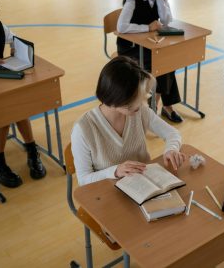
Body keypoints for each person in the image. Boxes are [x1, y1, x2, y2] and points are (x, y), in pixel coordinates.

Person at [71, 56, 186, 186]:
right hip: (108, 192)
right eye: (136, 99)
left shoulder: (139, 111)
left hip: (144, 185)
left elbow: (172, 133)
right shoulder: (83, 129)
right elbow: (84, 179)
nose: (142, 103)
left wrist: (171, 149)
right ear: (117, 100)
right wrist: (115, 171)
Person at [116, 0, 183, 123]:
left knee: (168, 60)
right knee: (162, 62)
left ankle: (160, 105)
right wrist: (147, 28)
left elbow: (167, 20)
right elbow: (121, 27)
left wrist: (161, 1)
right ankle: (159, 106)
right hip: (131, 47)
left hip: (149, 45)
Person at [0, 0, 46, 188]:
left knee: (18, 104)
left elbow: (13, 38)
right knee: (5, 110)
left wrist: (16, 47)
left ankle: (31, 148)